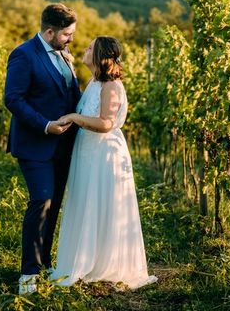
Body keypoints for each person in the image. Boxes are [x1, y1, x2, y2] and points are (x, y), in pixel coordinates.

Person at [51, 36, 157, 289]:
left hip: (104, 153)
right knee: (87, 200)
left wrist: (75, 117)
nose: (85, 49)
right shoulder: (94, 82)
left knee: (101, 202)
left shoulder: (111, 85)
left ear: (100, 56)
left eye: (90, 48)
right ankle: (88, 259)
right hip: (88, 150)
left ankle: (105, 263)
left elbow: (106, 123)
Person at [4, 3, 82, 295]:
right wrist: (45, 125)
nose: (71, 39)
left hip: (63, 146)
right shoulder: (23, 55)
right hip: (35, 144)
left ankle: (44, 263)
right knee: (41, 201)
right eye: (66, 34)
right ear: (49, 31)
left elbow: (72, 96)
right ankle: (28, 274)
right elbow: (13, 99)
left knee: (54, 206)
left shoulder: (65, 56)